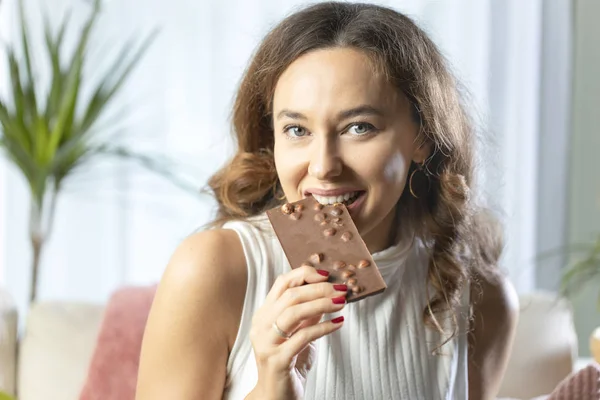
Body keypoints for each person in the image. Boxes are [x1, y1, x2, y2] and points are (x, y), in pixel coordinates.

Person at [136, 2, 519, 399]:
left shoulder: (481, 297)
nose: (323, 166)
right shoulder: (213, 270)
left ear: (421, 137)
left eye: (359, 127)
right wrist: (271, 384)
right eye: (297, 129)